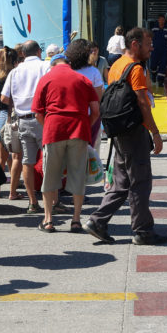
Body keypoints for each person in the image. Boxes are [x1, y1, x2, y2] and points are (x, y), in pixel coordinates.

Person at [85, 27, 167, 246]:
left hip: (119, 130)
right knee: (140, 182)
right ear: (135, 44)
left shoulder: (116, 66)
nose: (152, 47)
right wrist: (156, 133)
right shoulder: (136, 69)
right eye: (148, 43)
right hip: (134, 131)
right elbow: (143, 103)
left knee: (121, 182)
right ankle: (143, 231)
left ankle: (97, 221)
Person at [32, 39, 100, 233]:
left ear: (53, 64)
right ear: (68, 64)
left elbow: (38, 113)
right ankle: (76, 220)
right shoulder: (83, 79)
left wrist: (48, 127)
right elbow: (95, 110)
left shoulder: (46, 79)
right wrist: (86, 126)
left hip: (54, 130)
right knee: (78, 176)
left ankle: (48, 220)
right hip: (78, 130)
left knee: (50, 176)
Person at [0, 40, 48, 214]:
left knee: (27, 161)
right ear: (38, 52)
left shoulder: (15, 72)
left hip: (23, 120)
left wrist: (20, 100)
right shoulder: (45, 66)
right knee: (50, 160)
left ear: (23, 54)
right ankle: (53, 201)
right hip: (43, 118)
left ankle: (33, 202)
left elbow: (4, 99)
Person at [0, 46, 20, 198]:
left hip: (2, 116)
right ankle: (12, 192)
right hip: (16, 115)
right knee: (16, 156)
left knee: (0, 157)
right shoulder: (16, 76)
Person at [149, 15, 167, 86]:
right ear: (158, 20)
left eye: (163, 20)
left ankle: (160, 81)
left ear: (165, 21)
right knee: (153, 66)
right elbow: (149, 39)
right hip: (154, 50)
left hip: (164, 51)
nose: (162, 21)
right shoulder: (153, 29)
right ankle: (153, 75)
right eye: (160, 19)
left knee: (163, 66)